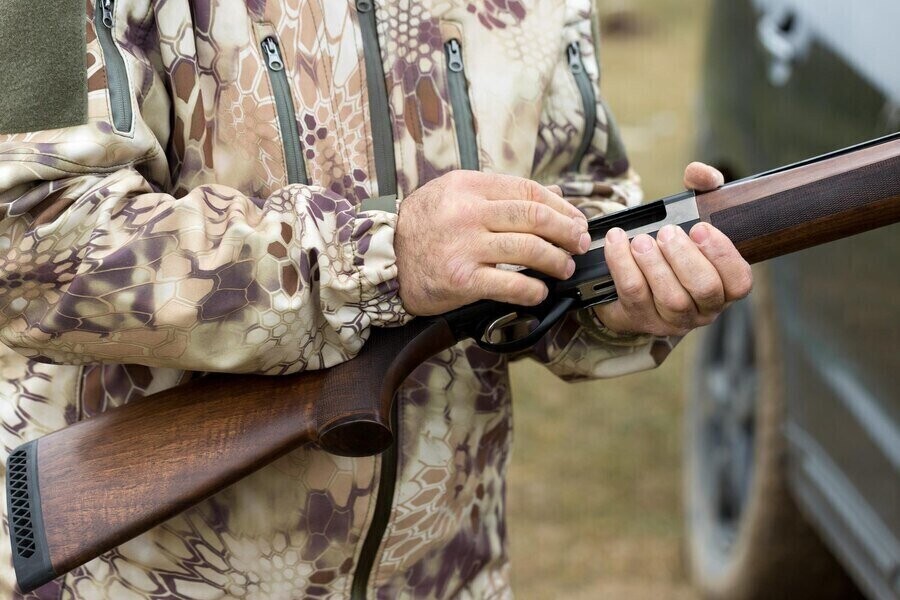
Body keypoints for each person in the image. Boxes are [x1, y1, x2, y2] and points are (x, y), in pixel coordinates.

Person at [0, 0, 751, 597]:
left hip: (448, 572)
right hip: (141, 575)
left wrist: (617, 298)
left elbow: (575, 199)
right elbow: (32, 237)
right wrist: (385, 260)